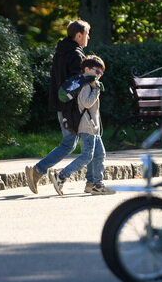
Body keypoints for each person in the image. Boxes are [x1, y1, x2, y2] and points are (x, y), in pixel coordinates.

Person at [25, 20, 89, 194]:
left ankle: (39, 170)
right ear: (79, 35)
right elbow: (76, 83)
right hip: (70, 107)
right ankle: (38, 170)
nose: (88, 37)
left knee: (71, 143)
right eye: (86, 34)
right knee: (70, 144)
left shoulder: (61, 52)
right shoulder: (75, 55)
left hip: (60, 104)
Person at [49, 55, 115, 196]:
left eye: (101, 73)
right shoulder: (86, 85)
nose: (99, 75)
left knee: (100, 155)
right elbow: (86, 103)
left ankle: (96, 185)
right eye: (97, 71)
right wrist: (96, 90)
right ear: (86, 69)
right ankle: (61, 176)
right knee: (87, 156)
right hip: (87, 127)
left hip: (93, 127)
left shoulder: (89, 83)